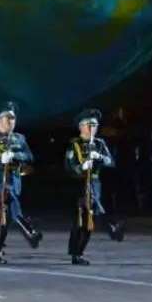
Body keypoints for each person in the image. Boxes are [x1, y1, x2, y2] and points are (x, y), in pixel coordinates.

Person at [64, 108, 125, 265]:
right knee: (82, 221)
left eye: (96, 125)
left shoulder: (100, 143)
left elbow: (111, 162)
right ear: (81, 126)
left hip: (95, 184)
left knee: (90, 223)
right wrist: (82, 166)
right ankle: (77, 253)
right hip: (79, 184)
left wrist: (99, 157)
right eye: (90, 124)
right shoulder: (74, 144)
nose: (93, 128)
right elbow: (69, 166)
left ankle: (78, 251)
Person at [0, 101, 41, 263]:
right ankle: (28, 231)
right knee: (6, 213)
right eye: (7, 118)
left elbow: (30, 156)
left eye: (13, 119)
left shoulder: (20, 138)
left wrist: (16, 156)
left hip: (15, 181)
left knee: (4, 219)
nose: (10, 122)